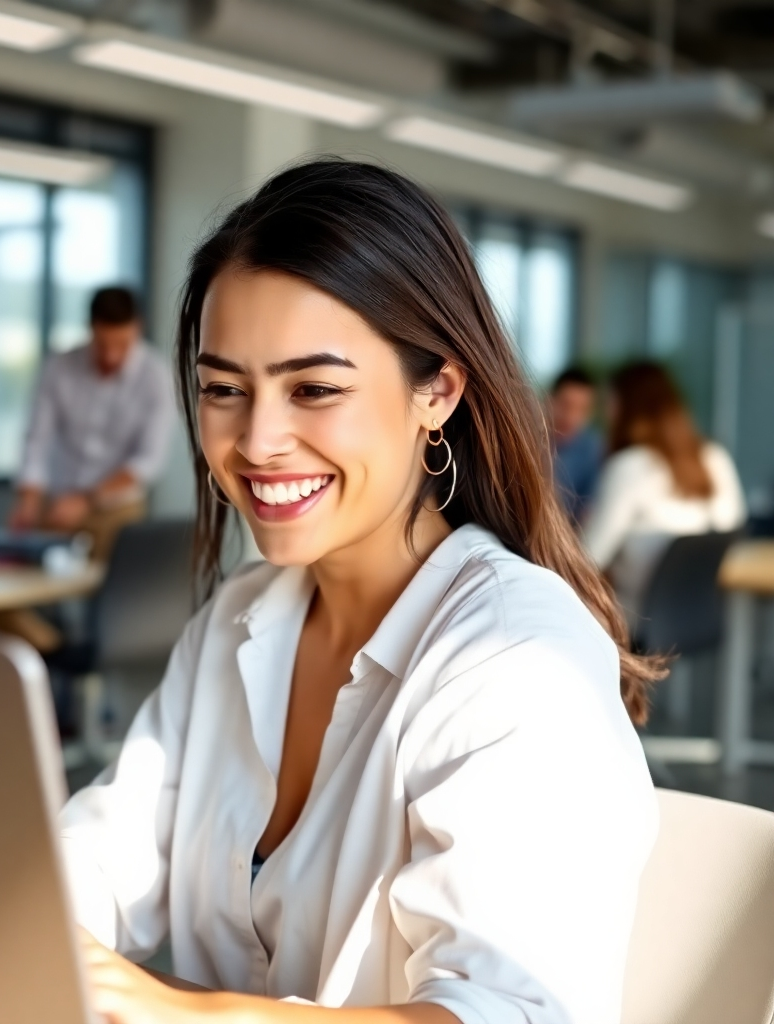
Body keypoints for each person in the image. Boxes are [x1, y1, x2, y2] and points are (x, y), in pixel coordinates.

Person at [62, 161, 661, 1024]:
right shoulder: (240, 615)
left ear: (438, 393)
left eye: (315, 389)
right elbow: (104, 856)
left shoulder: (516, 655)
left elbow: (498, 1012)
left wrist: (189, 1015)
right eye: (224, 389)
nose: (259, 441)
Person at [10, 286, 175, 560]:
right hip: (57, 507)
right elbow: (36, 439)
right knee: (30, 586)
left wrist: (87, 500)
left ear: (138, 328)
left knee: (116, 595)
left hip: (119, 511)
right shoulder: (58, 368)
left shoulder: (157, 378)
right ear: (90, 328)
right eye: (102, 344)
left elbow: (149, 460)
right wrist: (28, 502)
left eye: (121, 345)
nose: (111, 356)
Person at [583, 360, 746, 625]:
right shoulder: (716, 457)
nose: (606, 413)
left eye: (610, 402)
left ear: (628, 407)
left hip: (633, 615)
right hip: (701, 611)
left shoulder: (629, 467)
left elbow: (587, 559)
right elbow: (732, 530)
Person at [548, 367, 603, 522]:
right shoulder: (527, 439)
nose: (571, 417)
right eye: (565, 405)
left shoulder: (593, 451)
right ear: (549, 400)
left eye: (582, 409)